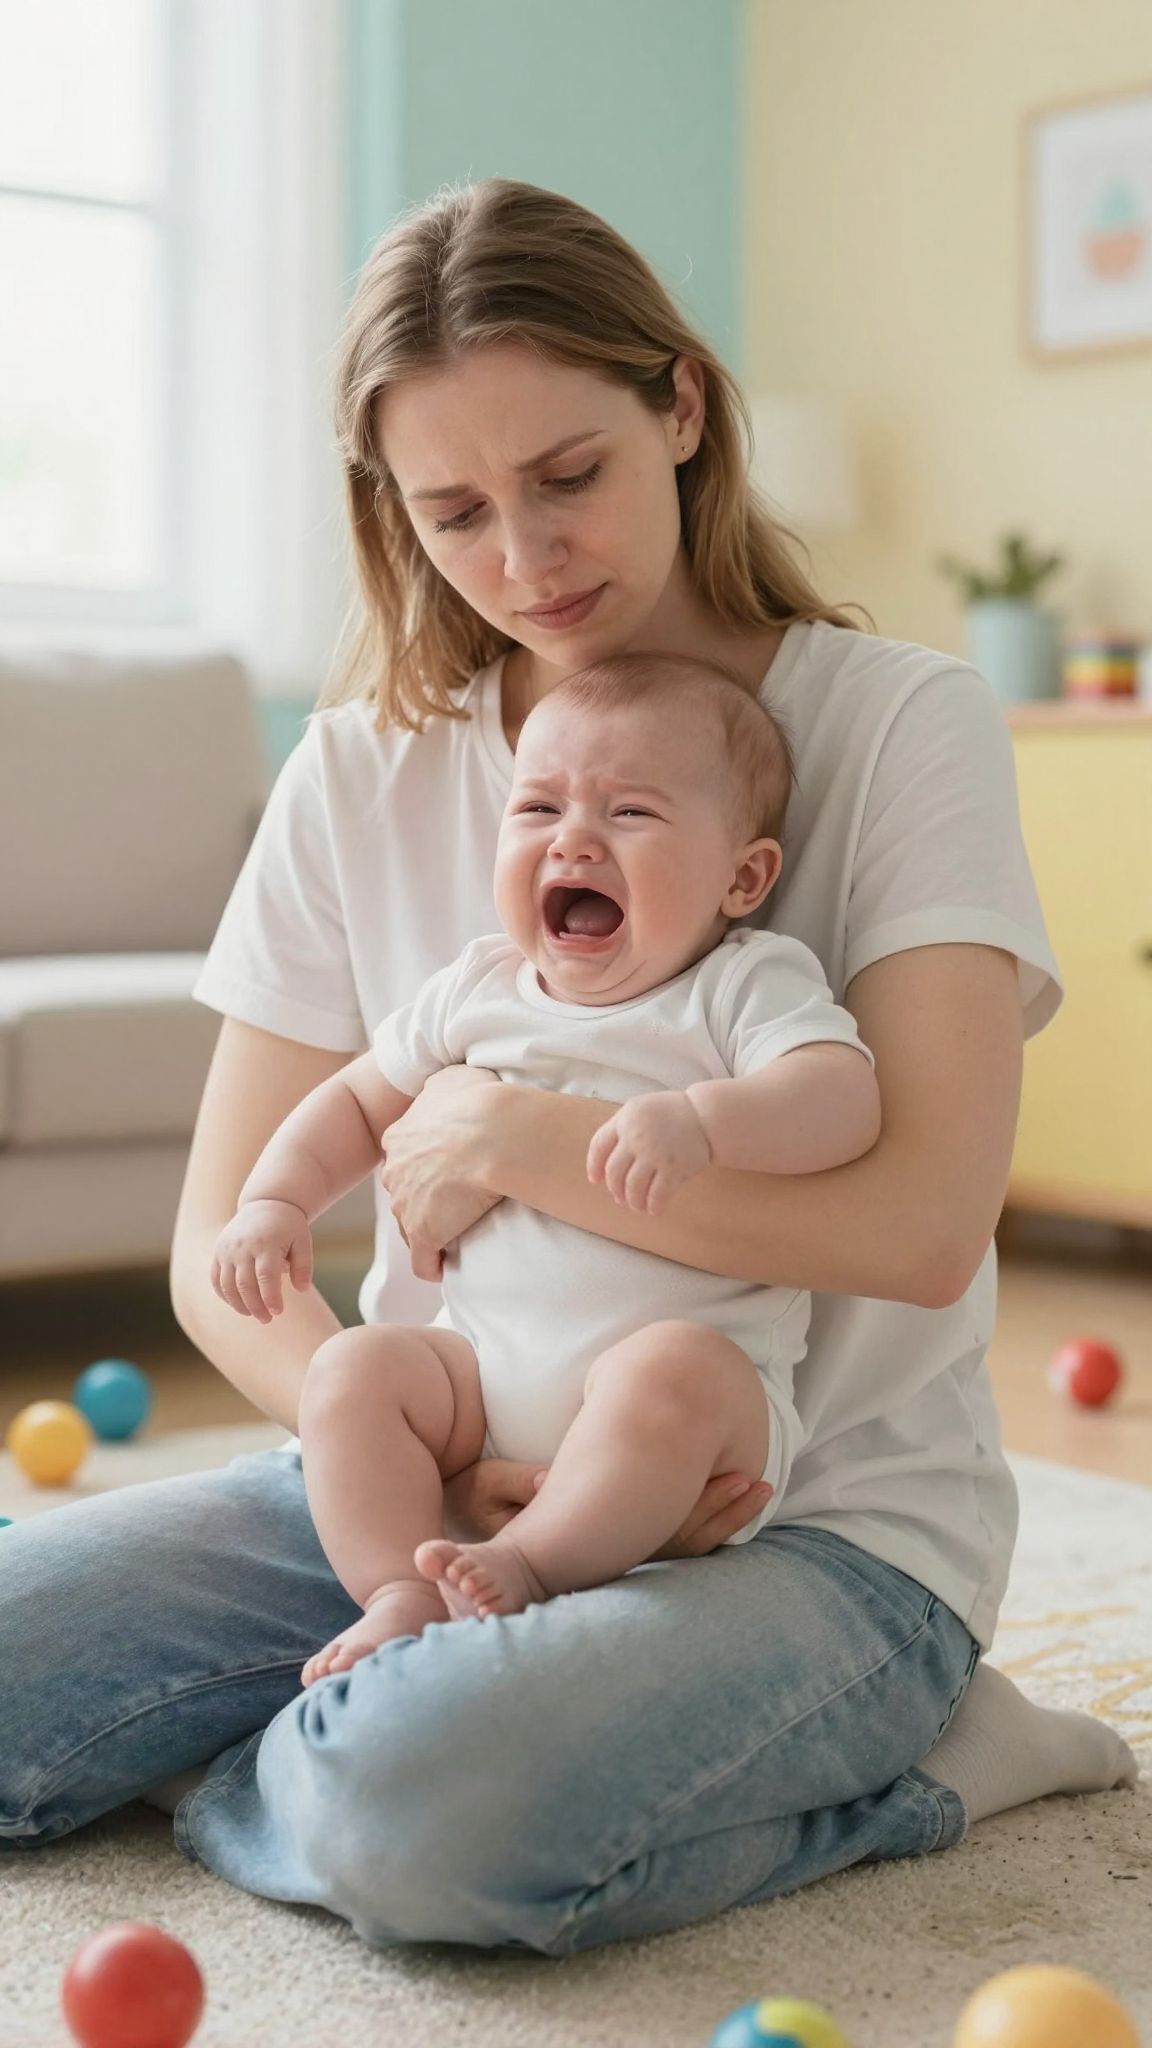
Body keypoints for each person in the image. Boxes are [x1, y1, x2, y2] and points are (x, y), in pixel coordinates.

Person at [0, 180, 1135, 1956]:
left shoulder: (893, 720)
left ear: (679, 406)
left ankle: (927, 1753)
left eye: (568, 476)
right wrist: (415, 1469)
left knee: (411, 1812)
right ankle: (354, 1698)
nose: (524, 560)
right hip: (424, 1478)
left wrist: (516, 1134)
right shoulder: (363, 762)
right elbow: (222, 1236)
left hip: (794, 1522)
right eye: (451, 509)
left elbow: (921, 1222)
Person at [209, 653, 882, 1684]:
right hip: (483, 1383)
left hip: (690, 1407)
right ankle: (398, 1586)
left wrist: (707, 1120)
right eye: (538, 806)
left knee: (672, 1369)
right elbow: (354, 1101)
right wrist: (275, 1197)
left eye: (630, 813)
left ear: (741, 878)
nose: (573, 836)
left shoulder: (740, 985)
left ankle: (523, 1563)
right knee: (354, 1367)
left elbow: (842, 1095)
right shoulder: (478, 985)